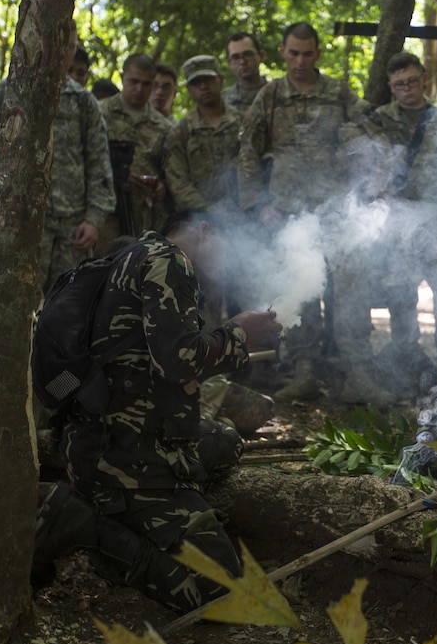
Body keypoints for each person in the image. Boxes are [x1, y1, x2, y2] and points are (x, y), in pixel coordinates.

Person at [33, 211, 282, 613]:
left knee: (226, 443)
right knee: (221, 590)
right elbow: (179, 361)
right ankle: (81, 524)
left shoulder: (133, 256)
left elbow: (156, 360)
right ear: (203, 231)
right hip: (130, 454)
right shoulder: (170, 261)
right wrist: (238, 332)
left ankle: (161, 508)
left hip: (108, 435)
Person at [237, 22, 368, 401]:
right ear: (281, 52)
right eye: (293, 53)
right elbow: (247, 152)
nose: (300, 61)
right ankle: (305, 371)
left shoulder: (339, 92)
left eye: (307, 53)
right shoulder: (270, 95)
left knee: (348, 293)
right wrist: (260, 205)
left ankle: (355, 374)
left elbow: (367, 138)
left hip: (336, 213)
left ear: (317, 54)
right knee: (300, 292)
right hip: (287, 214)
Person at [336, 52, 437, 403]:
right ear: (390, 87)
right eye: (398, 84)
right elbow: (348, 143)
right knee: (401, 296)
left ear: (424, 78)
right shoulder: (376, 120)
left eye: (411, 81)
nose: (406, 89)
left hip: (436, 220)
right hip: (394, 223)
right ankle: (406, 370)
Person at [0, 21, 115, 295]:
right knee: (16, 298)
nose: (65, 53)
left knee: (68, 301)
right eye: (60, 44)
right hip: (19, 220)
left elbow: (99, 160)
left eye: (71, 47)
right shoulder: (9, 92)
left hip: (73, 228)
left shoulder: (82, 101)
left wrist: (95, 218)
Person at [97, 53, 175, 248]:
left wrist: (162, 187)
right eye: (134, 81)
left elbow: (173, 173)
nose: (139, 89)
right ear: (123, 78)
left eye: (147, 84)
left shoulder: (164, 127)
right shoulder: (98, 113)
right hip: (104, 215)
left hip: (144, 219)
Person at [161, 55, 243, 218]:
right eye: (196, 83)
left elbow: (256, 167)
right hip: (202, 220)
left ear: (220, 80)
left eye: (208, 80)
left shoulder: (243, 122)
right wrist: (210, 212)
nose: (203, 86)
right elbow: (179, 183)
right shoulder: (181, 132)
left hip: (244, 214)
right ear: (189, 89)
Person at [222, 31, 267, 111]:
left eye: (248, 54)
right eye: (236, 57)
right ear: (229, 63)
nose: (242, 62)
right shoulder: (221, 101)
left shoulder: (277, 93)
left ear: (261, 56)